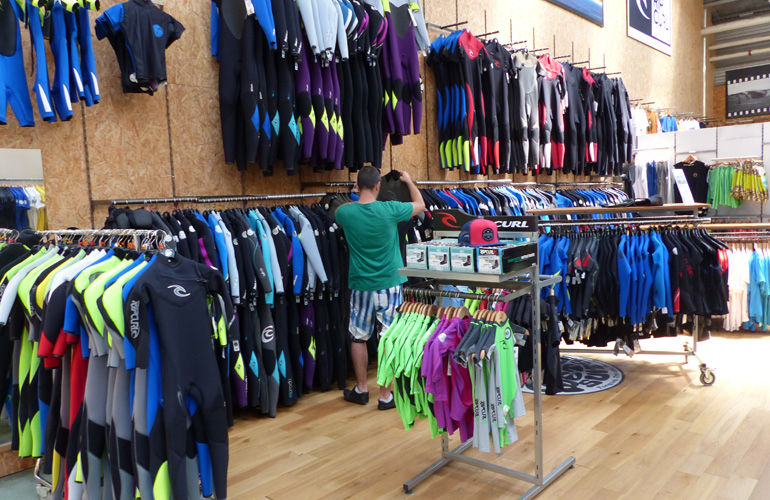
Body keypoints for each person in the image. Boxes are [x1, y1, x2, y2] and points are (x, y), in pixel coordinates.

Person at [334, 166, 425, 409]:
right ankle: (386, 395)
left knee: (358, 337)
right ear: (378, 186)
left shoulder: (345, 213)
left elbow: (340, 209)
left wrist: (356, 197)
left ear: (357, 186)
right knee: (388, 337)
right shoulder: (391, 209)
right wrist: (409, 181)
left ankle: (361, 389)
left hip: (360, 285)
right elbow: (420, 204)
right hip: (389, 284)